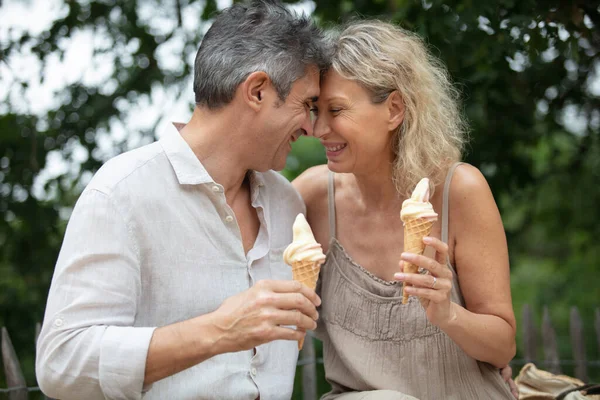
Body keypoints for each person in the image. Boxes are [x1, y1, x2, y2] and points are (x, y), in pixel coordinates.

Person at [35, 1, 331, 399]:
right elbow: (62, 363)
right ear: (257, 91)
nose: (313, 127)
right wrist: (219, 331)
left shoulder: (287, 204)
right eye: (307, 105)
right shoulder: (122, 193)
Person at [293, 20, 518, 399]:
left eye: (336, 110)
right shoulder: (311, 198)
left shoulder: (459, 192)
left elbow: (503, 347)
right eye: (316, 110)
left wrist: (449, 315)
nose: (319, 129)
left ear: (394, 109)